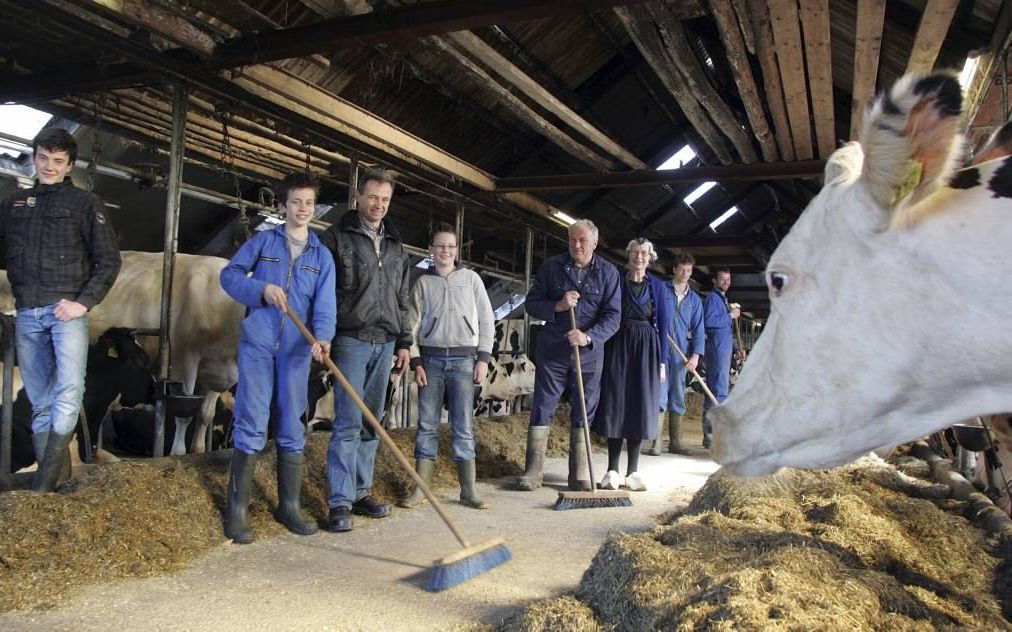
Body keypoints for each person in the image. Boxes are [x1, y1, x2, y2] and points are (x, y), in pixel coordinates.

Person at [0, 128, 121, 492]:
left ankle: (41, 486)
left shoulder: (85, 204)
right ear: (34, 158)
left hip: (64, 313)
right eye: (43, 158)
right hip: (27, 312)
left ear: (69, 165)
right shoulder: (14, 205)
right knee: (40, 401)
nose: (49, 166)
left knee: (68, 393)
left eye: (57, 161)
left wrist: (82, 303)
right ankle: (55, 483)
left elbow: (108, 260)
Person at [219, 172, 336, 544]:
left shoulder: (322, 256)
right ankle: (236, 510)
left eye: (309, 203)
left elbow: (326, 305)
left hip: (297, 351)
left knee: (291, 421)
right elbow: (229, 276)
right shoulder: (263, 241)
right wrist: (261, 289)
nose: (302, 209)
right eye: (296, 202)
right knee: (251, 417)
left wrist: (323, 338)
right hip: (258, 342)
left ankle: (289, 506)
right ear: (282, 205)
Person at [318, 168, 411, 532]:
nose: (378, 205)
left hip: (385, 340)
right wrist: (324, 334)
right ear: (358, 196)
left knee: (372, 420)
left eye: (385, 200)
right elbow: (325, 293)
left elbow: (402, 297)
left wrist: (404, 341)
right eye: (373, 197)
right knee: (347, 421)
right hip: (351, 339)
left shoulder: (395, 245)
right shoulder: (335, 239)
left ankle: (360, 492)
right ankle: (339, 502)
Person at [517, 219, 621, 491]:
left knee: (584, 410)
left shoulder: (609, 273)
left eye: (583, 240)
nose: (577, 245)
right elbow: (531, 304)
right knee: (543, 406)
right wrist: (559, 306)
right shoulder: (551, 267)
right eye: (573, 240)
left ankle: (579, 472)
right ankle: (533, 471)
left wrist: (588, 337)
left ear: (595, 243)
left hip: (588, 353)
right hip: (553, 350)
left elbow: (613, 317)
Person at [399, 224, 494, 510]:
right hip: (431, 361)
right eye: (439, 246)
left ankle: (468, 490)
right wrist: (416, 360)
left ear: (457, 250)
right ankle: (421, 489)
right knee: (427, 423)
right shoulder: (423, 284)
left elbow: (487, 320)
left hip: (465, 361)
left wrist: (483, 358)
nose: (445, 251)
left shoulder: (472, 280)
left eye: (450, 246)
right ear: (431, 250)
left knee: (463, 425)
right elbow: (410, 326)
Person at [591, 238, 671, 491]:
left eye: (644, 253)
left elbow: (665, 326)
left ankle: (633, 471)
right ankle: (612, 470)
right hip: (618, 342)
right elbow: (603, 311)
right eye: (635, 252)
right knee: (615, 402)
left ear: (650, 257)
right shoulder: (617, 280)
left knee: (639, 403)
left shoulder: (657, 287)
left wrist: (663, 361)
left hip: (647, 346)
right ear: (628, 255)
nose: (639, 257)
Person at [647, 253, 705, 455]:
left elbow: (699, 330)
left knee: (678, 396)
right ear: (674, 269)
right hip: (661, 350)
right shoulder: (661, 290)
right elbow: (649, 314)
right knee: (660, 394)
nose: (685, 274)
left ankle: (676, 442)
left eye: (688, 270)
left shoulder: (695, 300)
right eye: (682, 269)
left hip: (682, 355)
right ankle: (655, 442)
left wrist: (696, 355)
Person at [701, 267, 742, 448]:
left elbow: (724, 332)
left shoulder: (722, 300)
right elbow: (709, 322)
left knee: (717, 393)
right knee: (717, 394)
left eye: (728, 279)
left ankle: (711, 437)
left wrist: (736, 349)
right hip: (716, 353)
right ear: (714, 281)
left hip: (724, 351)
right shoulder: (712, 299)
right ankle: (713, 438)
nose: (726, 282)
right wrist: (729, 315)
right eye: (722, 279)